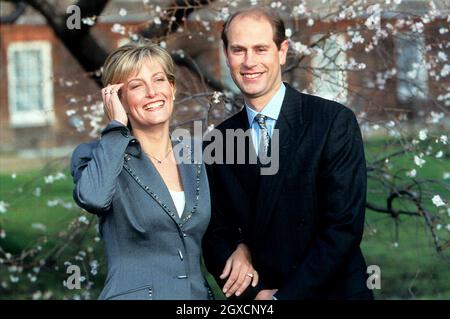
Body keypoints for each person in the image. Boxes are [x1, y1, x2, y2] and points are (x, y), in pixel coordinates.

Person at [202, 7, 373, 300]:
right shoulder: (217, 141)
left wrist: (284, 298)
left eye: (260, 49)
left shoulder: (332, 122)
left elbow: (342, 228)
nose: (249, 62)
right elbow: (215, 233)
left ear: (282, 51)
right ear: (227, 54)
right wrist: (254, 294)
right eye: (239, 50)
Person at [70, 41, 213, 300]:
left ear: (172, 87)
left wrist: (240, 249)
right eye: (136, 86)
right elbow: (93, 198)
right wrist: (116, 127)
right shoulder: (96, 156)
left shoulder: (195, 154)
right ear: (118, 98)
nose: (152, 92)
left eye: (159, 80)